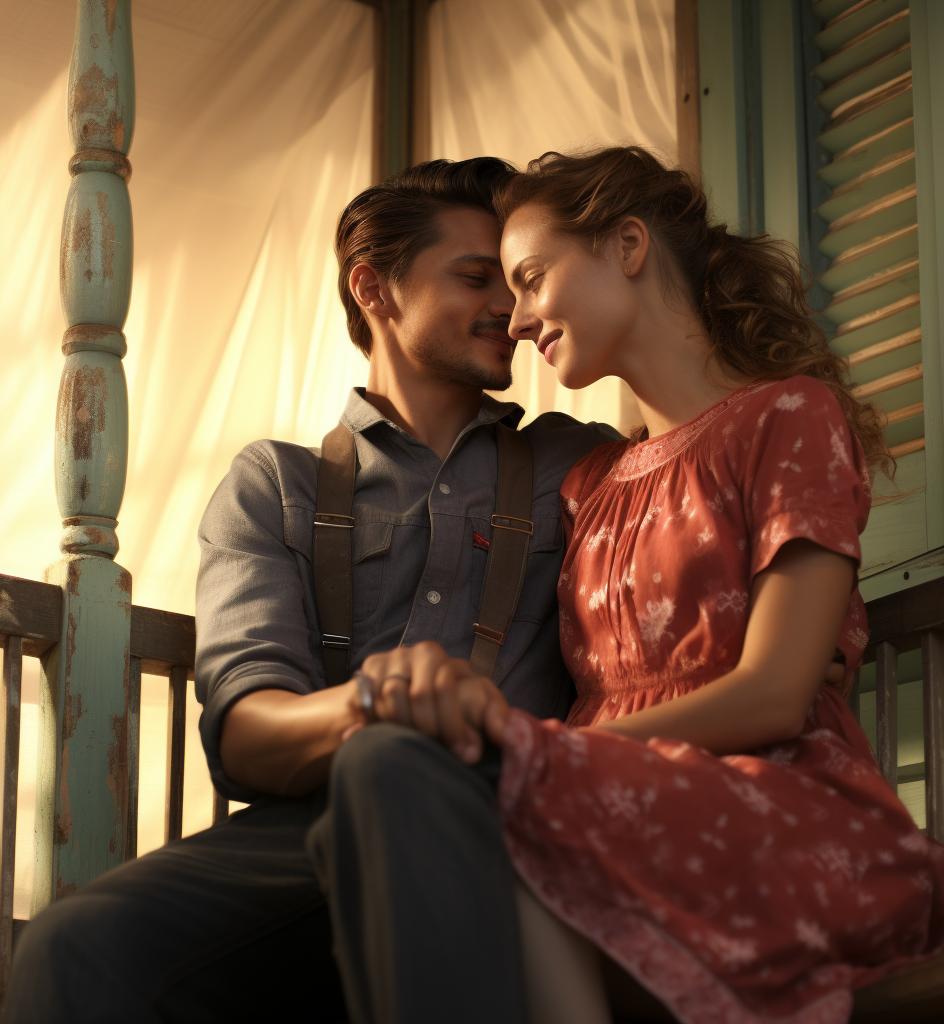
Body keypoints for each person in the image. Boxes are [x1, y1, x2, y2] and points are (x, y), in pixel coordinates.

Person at [342, 147, 944, 1024]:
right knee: (431, 808)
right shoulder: (587, 484)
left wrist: (546, 752)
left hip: (769, 802)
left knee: (487, 824)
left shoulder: (787, 418)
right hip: (598, 806)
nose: (515, 321)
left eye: (529, 278)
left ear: (628, 245)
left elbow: (780, 695)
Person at [2, 157, 619, 1024]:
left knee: (395, 766)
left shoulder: (580, 462)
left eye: (515, 285)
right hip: (306, 835)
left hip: (509, 814)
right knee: (74, 945)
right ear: (375, 289)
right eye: (477, 278)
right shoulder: (274, 484)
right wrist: (380, 702)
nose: (511, 313)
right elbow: (248, 731)